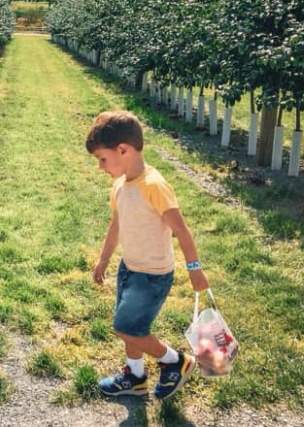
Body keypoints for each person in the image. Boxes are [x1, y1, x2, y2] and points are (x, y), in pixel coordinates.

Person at [86, 111, 210, 400]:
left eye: (102, 159)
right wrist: (104, 260)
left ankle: (175, 361)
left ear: (123, 150)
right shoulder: (120, 185)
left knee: (125, 328)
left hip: (153, 276)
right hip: (129, 269)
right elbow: (116, 225)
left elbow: (182, 230)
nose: (100, 167)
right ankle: (135, 376)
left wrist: (195, 269)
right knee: (132, 326)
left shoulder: (153, 186)